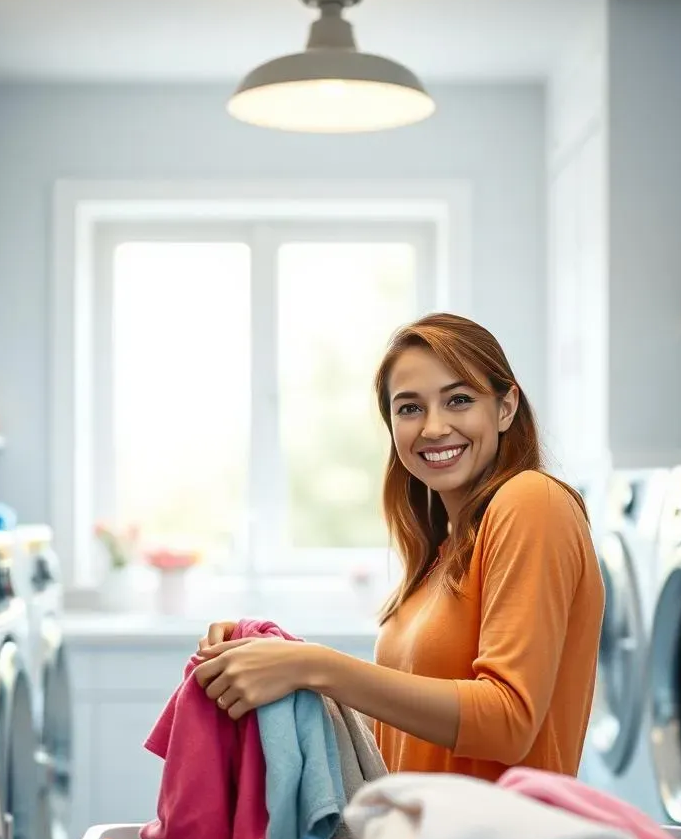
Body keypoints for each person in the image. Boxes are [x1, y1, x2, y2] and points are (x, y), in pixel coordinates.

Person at [193, 312, 605, 782]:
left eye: (459, 400)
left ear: (506, 407)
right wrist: (273, 658)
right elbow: (402, 741)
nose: (433, 428)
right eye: (409, 408)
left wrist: (312, 665)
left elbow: (508, 721)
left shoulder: (532, 501)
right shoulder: (441, 552)